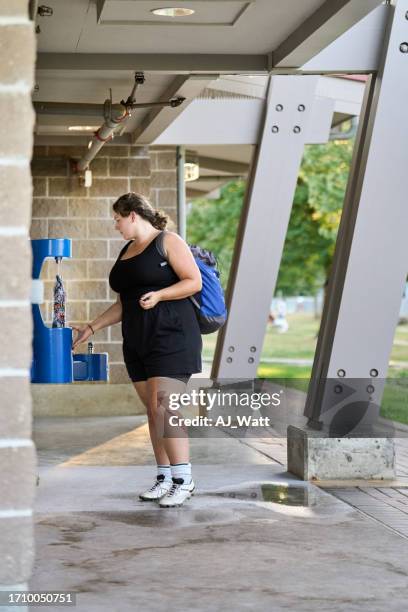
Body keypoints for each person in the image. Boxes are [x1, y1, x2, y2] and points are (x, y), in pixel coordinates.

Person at [72, 192, 202, 508]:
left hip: (171, 335)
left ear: (132, 215)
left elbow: (193, 281)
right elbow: (123, 303)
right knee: (152, 411)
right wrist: (91, 328)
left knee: (165, 407)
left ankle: (184, 480)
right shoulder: (127, 250)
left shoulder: (168, 241)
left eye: (117, 219)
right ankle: (165, 477)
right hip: (137, 340)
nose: (115, 226)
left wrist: (159, 295)